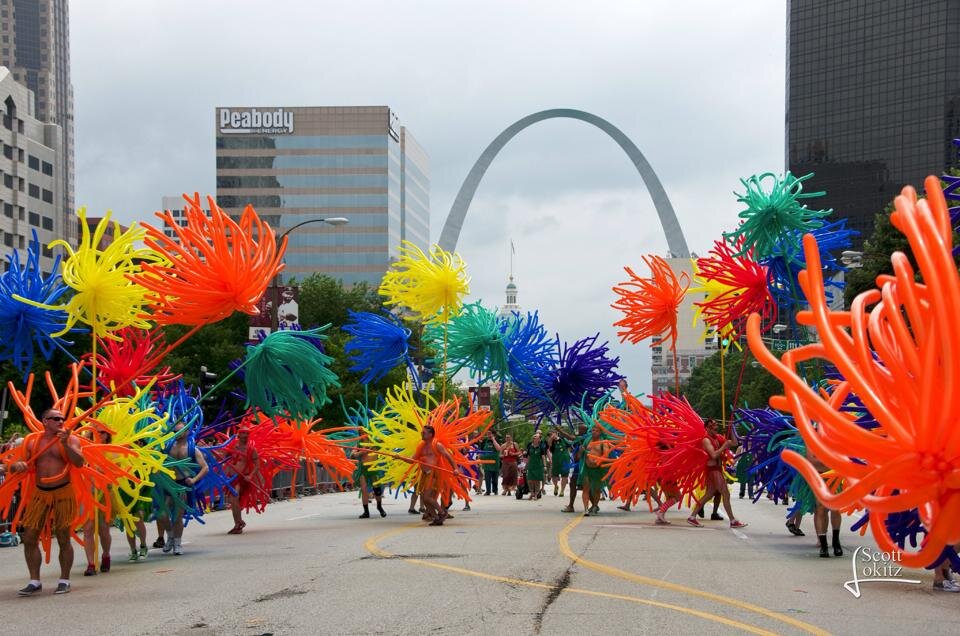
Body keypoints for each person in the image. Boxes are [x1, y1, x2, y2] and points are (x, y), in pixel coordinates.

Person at [6, 408, 84, 595]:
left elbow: (79, 462)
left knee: (64, 537)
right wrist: (18, 466)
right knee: (30, 537)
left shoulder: (71, 439)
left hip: (63, 491)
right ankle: (34, 581)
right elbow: (18, 465)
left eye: (62, 418)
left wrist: (65, 444)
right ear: (45, 421)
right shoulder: (32, 441)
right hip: (40, 493)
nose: (60, 421)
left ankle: (64, 580)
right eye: (55, 418)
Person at [687, 419, 747, 529]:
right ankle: (733, 520)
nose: (715, 427)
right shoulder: (706, 440)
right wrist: (724, 446)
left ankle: (692, 517)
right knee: (726, 493)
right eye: (712, 425)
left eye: (715, 425)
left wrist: (732, 428)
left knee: (708, 495)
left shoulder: (717, 438)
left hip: (717, 469)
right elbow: (713, 455)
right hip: (713, 470)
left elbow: (734, 443)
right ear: (707, 428)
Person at [161, 422, 209, 555]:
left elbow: (205, 468)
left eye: (180, 431)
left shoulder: (192, 449)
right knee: (162, 514)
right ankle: (170, 537)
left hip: (183, 484)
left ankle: (177, 543)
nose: (177, 433)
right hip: (169, 483)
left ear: (187, 432)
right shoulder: (168, 446)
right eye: (175, 430)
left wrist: (193, 479)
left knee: (177, 516)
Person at [80, 427, 113, 576]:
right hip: (85, 494)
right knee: (87, 528)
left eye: (102, 432)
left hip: (103, 494)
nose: (99, 434)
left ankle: (106, 554)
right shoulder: (82, 449)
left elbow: (115, 474)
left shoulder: (111, 451)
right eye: (95, 431)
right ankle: (91, 564)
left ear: (107, 435)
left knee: (103, 529)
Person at [411, 425, 456, 526]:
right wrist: (399, 457)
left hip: (433, 473)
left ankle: (442, 513)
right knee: (424, 498)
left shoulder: (437, 445)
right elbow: (412, 460)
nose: (422, 434)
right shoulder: (421, 446)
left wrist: (455, 469)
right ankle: (436, 518)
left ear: (431, 434)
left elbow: (448, 456)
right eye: (421, 432)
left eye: (424, 433)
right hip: (425, 475)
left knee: (427, 497)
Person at [225, 426, 261, 533]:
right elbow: (223, 458)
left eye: (247, 435)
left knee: (234, 497)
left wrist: (250, 475)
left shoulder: (251, 449)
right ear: (238, 435)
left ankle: (238, 523)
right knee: (233, 500)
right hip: (231, 478)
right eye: (243, 435)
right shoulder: (232, 447)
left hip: (242, 478)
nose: (245, 437)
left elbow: (257, 465)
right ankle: (238, 522)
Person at [809, 454, 842, 558]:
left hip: (835, 475)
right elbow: (812, 461)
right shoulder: (812, 440)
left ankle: (836, 541)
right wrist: (831, 463)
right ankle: (824, 545)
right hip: (818, 477)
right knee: (820, 509)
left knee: (835, 508)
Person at [353, 434, 386, 519]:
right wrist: (361, 452)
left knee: (377, 490)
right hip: (363, 469)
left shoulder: (374, 441)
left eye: (363, 431)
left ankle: (379, 507)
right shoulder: (359, 444)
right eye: (360, 432)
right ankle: (366, 512)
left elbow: (384, 441)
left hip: (374, 469)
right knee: (364, 489)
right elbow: (352, 455)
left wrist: (379, 440)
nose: (362, 434)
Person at [582, 427, 612, 516]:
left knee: (596, 490)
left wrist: (597, 461)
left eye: (596, 431)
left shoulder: (604, 443)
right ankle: (586, 509)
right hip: (586, 468)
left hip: (598, 470)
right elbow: (581, 454)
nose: (593, 432)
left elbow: (606, 456)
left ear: (600, 432)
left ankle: (595, 505)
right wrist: (582, 451)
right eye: (592, 430)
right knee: (585, 488)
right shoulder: (587, 441)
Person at [559, 423, 589, 513]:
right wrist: (560, 431)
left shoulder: (586, 438)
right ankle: (571, 505)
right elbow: (569, 437)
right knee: (573, 484)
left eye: (581, 429)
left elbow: (569, 437)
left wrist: (560, 430)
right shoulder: (579, 438)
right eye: (579, 429)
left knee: (586, 487)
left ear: (585, 430)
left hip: (583, 465)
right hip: (577, 466)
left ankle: (592, 506)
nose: (579, 431)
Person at [489, 432, 520, 496]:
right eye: (506, 437)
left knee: (513, 475)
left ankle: (510, 489)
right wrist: (503, 455)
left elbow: (519, 452)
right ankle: (505, 489)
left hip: (513, 462)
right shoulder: (503, 445)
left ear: (511, 438)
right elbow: (499, 455)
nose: (507, 438)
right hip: (505, 462)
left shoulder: (514, 444)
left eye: (509, 437)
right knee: (505, 476)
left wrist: (513, 454)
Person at [524, 431, 548, 500]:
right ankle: (531, 493)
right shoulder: (530, 447)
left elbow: (543, 457)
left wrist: (545, 466)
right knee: (530, 480)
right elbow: (528, 458)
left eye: (538, 438)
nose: (536, 439)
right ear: (533, 439)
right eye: (535, 438)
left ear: (539, 440)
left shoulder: (541, 447)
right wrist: (526, 466)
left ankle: (536, 494)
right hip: (531, 465)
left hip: (538, 466)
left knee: (537, 480)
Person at [548, 429, 569, 497]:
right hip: (556, 460)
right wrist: (551, 438)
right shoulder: (551, 441)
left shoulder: (563, 439)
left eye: (553, 433)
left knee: (565, 476)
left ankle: (562, 490)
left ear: (556, 433)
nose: (552, 435)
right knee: (554, 476)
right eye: (550, 434)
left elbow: (570, 444)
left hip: (565, 460)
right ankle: (556, 486)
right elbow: (549, 445)